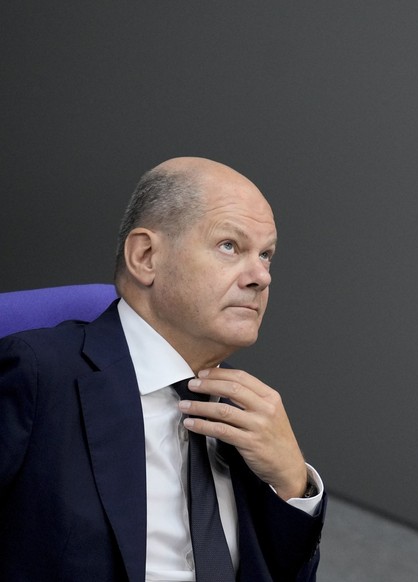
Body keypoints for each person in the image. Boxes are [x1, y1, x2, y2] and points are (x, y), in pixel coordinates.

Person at [0, 157, 325, 581]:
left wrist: (293, 487)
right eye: (231, 246)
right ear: (146, 256)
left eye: (266, 256)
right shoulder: (38, 372)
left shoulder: (251, 417)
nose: (261, 276)